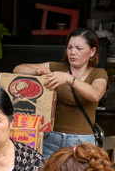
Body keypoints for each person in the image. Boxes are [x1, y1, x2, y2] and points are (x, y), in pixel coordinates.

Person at [13, 28, 108, 159]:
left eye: (79, 48)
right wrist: (38, 71)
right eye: (69, 47)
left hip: (82, 141)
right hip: (51, 138)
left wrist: (70, 79)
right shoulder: (57, 68)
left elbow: (95, 94)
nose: (72, 52)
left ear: (92, 51)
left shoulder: (98, 73)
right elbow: (18, 69)